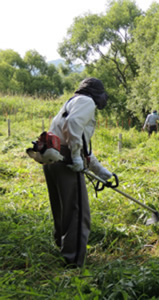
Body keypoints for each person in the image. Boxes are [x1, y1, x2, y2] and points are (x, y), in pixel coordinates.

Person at [43, 77, 112, 267]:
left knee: (62, 208)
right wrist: (75, 157)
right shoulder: (87, 101)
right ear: (96, 93)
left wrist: (100, 171)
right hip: (65, 158)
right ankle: (72, 260)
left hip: (53, 157)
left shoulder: (72, 102)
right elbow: (72, 125)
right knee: (77, 211)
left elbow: (79, 141)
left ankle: (63, 247)